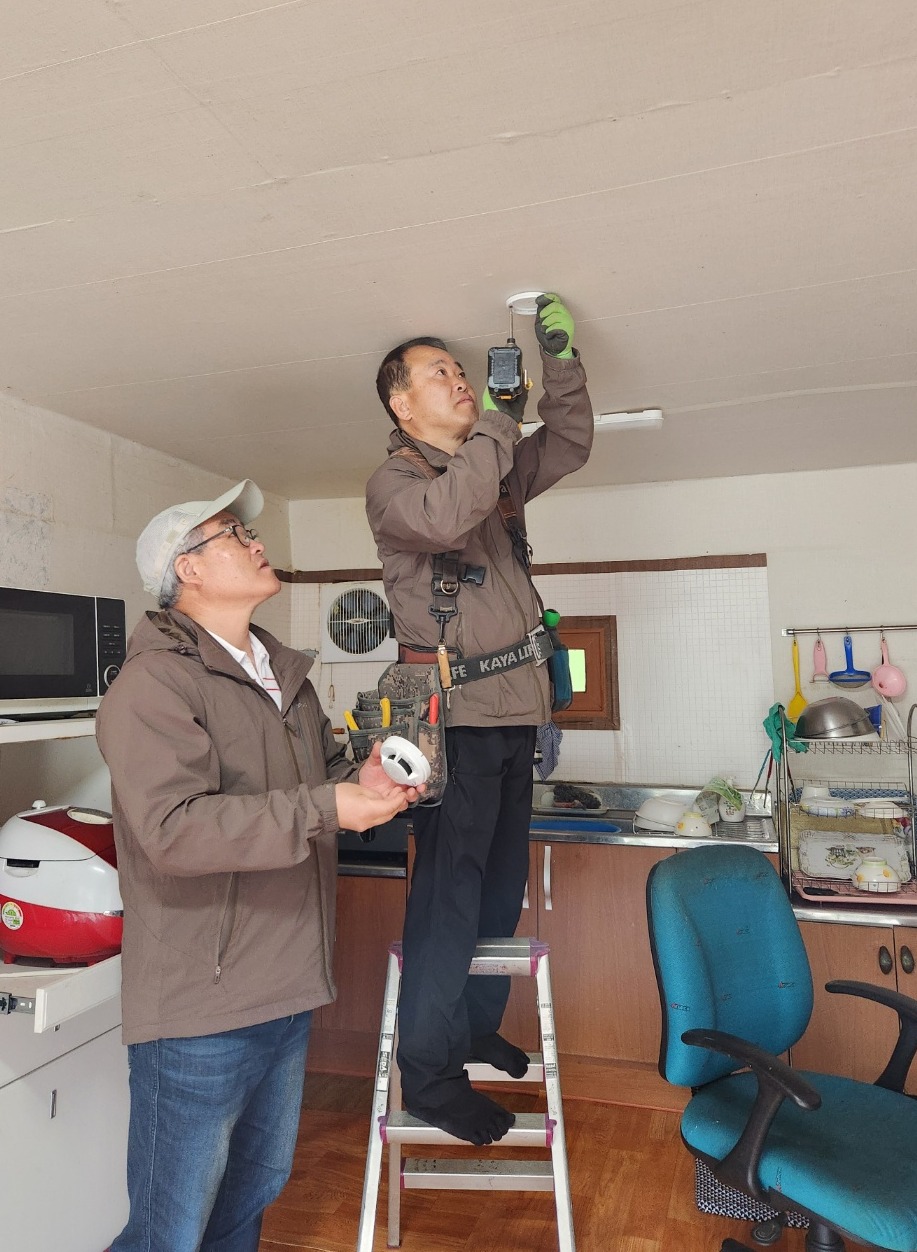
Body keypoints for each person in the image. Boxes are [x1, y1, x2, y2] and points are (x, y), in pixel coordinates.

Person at [96, 479, 421, 1252]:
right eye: (232, 535)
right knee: (168, 1232)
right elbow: (173, 831)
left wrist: (364, 779)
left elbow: (319, 779)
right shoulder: (152, 686)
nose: (255, 542)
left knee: (247, 1202)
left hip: (284, 988)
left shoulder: (284, 678)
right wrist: (326, 808)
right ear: (189, 571)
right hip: (201, 1010)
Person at [365, 294, 593, 1145]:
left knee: (496, 894)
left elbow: (567, 443)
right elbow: (447, 515)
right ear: (401, 402)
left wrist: (558, 365)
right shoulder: (396, 483)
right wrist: (497, 419)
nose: (460, 381)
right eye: (441, 373)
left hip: (511, 719)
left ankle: (467, 1030)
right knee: (446, 907)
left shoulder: (490, 470)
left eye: (464, 371)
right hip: (453, 726)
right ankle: (427, 1076)